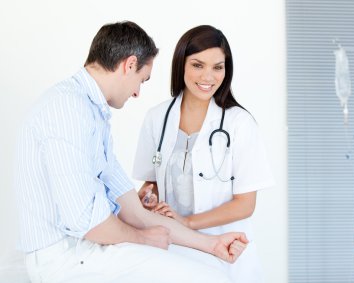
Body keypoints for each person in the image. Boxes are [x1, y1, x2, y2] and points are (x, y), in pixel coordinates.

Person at [14, 21, 249, 283]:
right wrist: (143, 238)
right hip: (65, 258)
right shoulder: (67, 109)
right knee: (209, 278)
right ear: (129, 64)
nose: (137, 92)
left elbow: (135, 212)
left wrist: (211, 244)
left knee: (210, 265)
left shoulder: (94, 114)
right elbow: (85, 222)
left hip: (88, 248)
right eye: (142, 79)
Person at [133, 25, 275, 283]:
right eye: (198, 65)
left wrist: (187, 223)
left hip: (226, 252)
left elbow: (245, 204)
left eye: (217, 67)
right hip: (172, 250)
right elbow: (151, 182)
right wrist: (148, 196)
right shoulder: (157, 118)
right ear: (181, 65)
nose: (208, 76)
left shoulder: (240, 124)